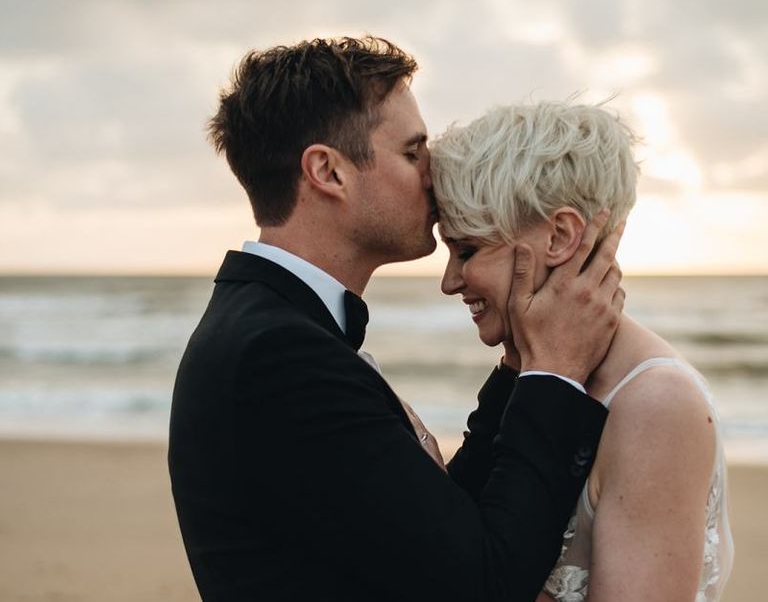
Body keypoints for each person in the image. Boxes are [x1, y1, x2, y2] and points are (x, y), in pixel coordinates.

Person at [168, 37, 624, 602]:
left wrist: (520, 364)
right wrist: (553, 371)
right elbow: (483, 584)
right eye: (412, 153)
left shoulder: (272, 325)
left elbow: (435, 538)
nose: (432, 175)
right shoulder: (279, 356)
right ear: (328, 172)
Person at [430, 101, 734, 602]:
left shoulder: (654, 404)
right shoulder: (532, 373)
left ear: (561, 235)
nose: (449, 281)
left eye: (467, 251)